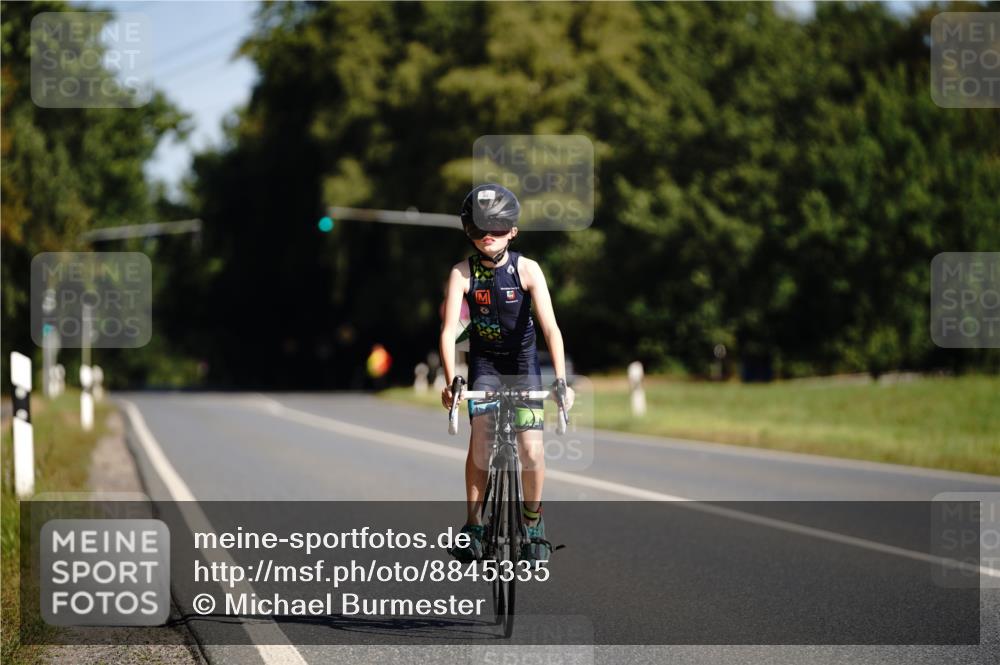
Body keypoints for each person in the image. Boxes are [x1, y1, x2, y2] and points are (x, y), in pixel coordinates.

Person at [439, 184, 573, 563]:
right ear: (468, 231)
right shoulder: (461, 273)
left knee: (530, 449)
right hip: (485, 365)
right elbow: (449, 332)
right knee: (481, 441)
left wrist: (561, 381)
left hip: (523, 365)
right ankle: (474, 526)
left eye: (497, 229)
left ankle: (533, 522)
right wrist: (451, 383)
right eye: (479, 229)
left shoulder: (527, 269)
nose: (488, 236)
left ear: (513, 231)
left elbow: (551, 329)